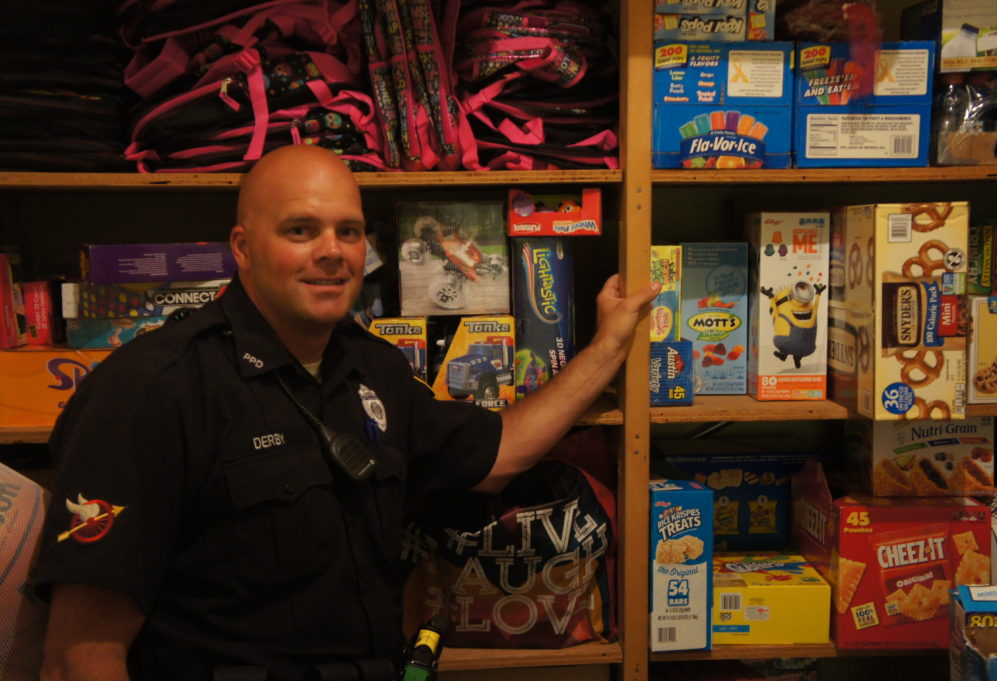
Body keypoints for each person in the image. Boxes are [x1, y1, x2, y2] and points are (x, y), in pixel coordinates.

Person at [33, 144, 660, 681]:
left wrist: (608, 346)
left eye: (349, 231)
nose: (332, 252)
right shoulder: (148, 389)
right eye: (300, 231)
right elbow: (79, 655)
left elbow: (499, 453)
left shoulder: (373, 368)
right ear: (243, 247)